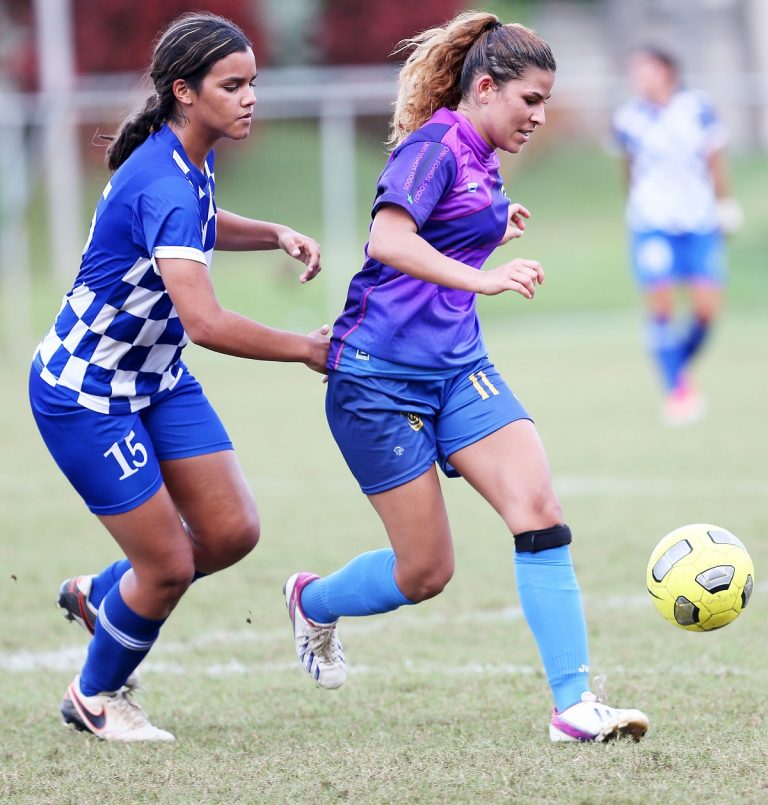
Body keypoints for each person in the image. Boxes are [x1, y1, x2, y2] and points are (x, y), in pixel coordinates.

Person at [282, 11, 649, 743]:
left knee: (539, 510)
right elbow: (389, 239)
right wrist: (484, 278)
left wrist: (491, 225)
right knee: (425, 572)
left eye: (545, 102)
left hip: (458, 369)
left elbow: (446, 224)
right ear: (485, 88)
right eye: (530, 100)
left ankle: (574, 706)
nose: (539, 116)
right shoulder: (434, 146)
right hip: (377, 379)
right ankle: (313, 601)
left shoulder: (484, 152)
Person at [29, 12, 330, 742]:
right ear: (183, 92)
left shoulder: (188, 157)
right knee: (165, 566)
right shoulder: (162, 179)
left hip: (156, 378)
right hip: (85, 393)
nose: (249, 98)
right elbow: (206, 322)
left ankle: (102, 596)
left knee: (230, 532)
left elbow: (199, 218)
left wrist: (270, 233)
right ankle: (95, 696)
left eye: (252, 82)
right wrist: (305, 348)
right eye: (232, 86)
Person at [612, 46, 741, 425]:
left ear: (667, 71)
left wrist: (725, 203)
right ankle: (678, 391)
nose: (639, 79)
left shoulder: (697, 108)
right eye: (635, 72)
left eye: (646, 70)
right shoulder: (628, 118)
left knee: (705, 310)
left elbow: (715, 160)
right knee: (662, 306)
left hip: (699, 221)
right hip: (652, 223)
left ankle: (675, 365)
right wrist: (635, 205)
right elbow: (628, 168)